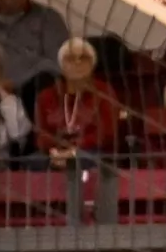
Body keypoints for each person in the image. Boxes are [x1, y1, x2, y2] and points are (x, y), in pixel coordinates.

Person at [32, 38, 117, 167]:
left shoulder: (104, 92)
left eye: (83, 58)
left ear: (92, 64)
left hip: (91, 151)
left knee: (85, 160)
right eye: (70, 58)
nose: (77, 62)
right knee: (32, 162)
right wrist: (56, 151)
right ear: (61, 65)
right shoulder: (46, 96)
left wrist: (74, 151)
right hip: (55, 151)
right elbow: (41, 134)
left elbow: (106, 133)